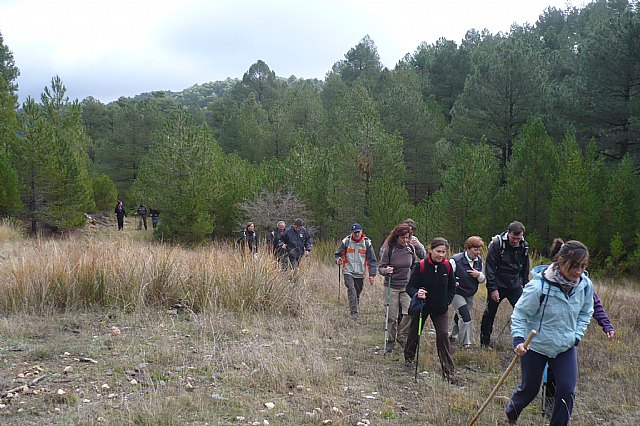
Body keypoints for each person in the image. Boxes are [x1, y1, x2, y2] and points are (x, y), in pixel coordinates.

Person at [505, 239, 594, 426]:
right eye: (574, 266)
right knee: (530, 389)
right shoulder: (539, 287)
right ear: (560, 261)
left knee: (567, 390)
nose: (578, 272)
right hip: (536, 346)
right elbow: (520, 313)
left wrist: (576, 335)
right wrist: (519, 340)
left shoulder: (585, 285)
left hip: (564, 346)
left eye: (583, 266)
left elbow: (586, 312)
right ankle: (512, 411)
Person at [542, 289, 615, 417]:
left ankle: (558, 405)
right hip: (546, 332)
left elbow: (595, 304)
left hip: (568, 337)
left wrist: (607, 325)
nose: (576, 272)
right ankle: (547, 400)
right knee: (543, 373)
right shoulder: (547, 282)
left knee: (564, 375)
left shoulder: (583, 284)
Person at [404, 237, 457, 382]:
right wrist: (417, 293)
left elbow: (452, 287)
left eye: (443, 252)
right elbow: (410, 286)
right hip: (422, 307)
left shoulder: (447, 266)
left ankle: (448, 370)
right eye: (438, 251)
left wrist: (447, 301)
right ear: (430, 250)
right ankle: (409, 358)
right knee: (415, 332)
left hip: (440, 309)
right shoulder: (421, 266)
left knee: (443, 336)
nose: (441, 255)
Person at [480, 221, 530, 348]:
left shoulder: (524, 246)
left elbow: (525, 268)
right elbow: (489, 267)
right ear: (508, 233)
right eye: (514, 238)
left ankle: (524, 343)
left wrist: (526, 286)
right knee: (489, 313)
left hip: (515, 286)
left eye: (518, 238)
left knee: (523, 312)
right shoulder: (497, 245)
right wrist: (493, 289)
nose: (516, 241)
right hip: (498, 285)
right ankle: (484, 343)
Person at [378, 223, 417, 354]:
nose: (405, 240)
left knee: (409, 312)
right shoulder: (389, 250)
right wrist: (386, 270)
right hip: (391, 286)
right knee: (392, 316)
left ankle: (402, 336)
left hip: (406, 286)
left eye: (407, 237)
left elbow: (414, 265)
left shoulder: (410, 249)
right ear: (396, 237)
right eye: (403, 238)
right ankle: (390, 341)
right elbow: (381, 268)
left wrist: (412, 278)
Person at [335, 223, 378, 320]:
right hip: (348, 271)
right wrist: (338, 259)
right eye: (355, 233)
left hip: (360, 273)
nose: (356, 234)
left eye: (358, 232)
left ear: (361, 232)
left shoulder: (367, 243)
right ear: (351, 233)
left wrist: (372, 275)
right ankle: (354, 312)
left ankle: (355, 305)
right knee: (351, 289)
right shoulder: (346, 241)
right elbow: (338, 254)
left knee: (357, 292)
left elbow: (372, 260)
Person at [449, 236, 486, 349]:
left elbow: (482, 279)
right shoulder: (455, 260)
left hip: (470, 293)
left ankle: (451, 336)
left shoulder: (479, 261)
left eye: (479, 249)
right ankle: (466, 343)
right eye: (475, 249)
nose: (478, 252)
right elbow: (447, 275)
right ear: (467, 249)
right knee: (465, 317)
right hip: (456, 293)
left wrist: (478, 275)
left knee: (459, 314)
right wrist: (453, 282)